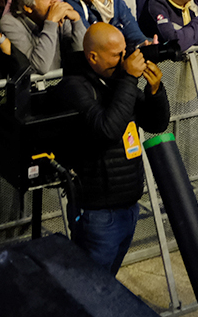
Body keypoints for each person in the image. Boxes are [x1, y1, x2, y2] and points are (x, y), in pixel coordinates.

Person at [55, 23, 170, 276]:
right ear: (93, 57)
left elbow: (156, 123)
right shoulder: (74, 87)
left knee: (108, 283)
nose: (124, 59)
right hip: (97, 213)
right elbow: (107, 130)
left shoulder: (116, 81)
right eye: (117, 55)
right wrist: (129, 79)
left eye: (125, 52)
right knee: (91, 286)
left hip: (128, 207)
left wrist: (155, 91)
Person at [0, 0, 88, 74]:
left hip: (64, 81)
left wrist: (76, 21)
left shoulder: (58, 16)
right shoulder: (9, 24)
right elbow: (40, 67)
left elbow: (82, 58)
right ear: (28, 7)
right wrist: (51, 23)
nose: (54, 0)